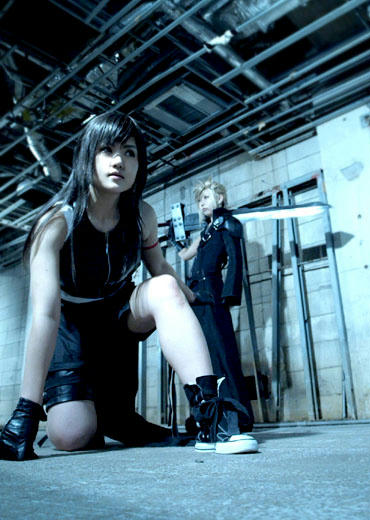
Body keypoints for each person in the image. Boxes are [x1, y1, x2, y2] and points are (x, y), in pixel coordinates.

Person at [0, 113, 257, 460]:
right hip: (70, 324)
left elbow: (160, 268)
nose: (119, 160)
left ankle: (210, 413)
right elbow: (45, 314)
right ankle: (92, 416)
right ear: (87, 156)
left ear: (139, 164)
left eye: (130, 152)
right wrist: (26, 411)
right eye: (107, 150)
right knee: (72, 434)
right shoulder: (57, 222)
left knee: (165, 288)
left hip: (118, 315)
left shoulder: (142, 216)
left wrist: (193, 296)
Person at [179, 178, 255, 433]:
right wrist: (177, 238)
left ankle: (237, 414)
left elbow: (235, 259)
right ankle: (208, 413)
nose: (201, 204)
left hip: (213, 295)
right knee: (201, 355)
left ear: (220, 198)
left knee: (222, 353)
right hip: (195, 296)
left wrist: (229, 294)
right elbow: (185, 255)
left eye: (206, 198)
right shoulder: (206, 232)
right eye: (199, 200)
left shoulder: (228, 224)